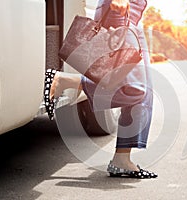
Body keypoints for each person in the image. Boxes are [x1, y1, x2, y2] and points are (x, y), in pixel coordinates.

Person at [44, 0, 157, 179]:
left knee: (144, 92)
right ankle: (63, 81)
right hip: (120, 10)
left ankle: (122, 159)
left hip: (134, 13)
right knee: (134, 88)